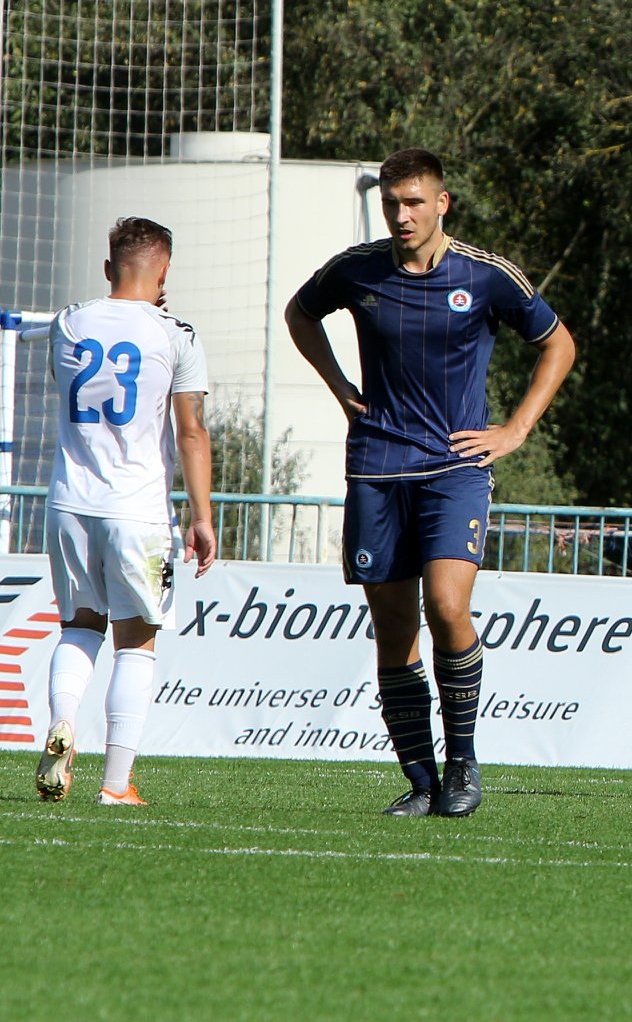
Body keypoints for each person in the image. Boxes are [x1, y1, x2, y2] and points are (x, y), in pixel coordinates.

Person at [285, 148, 575, 818]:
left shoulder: (486, 274)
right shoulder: (356, 269)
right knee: (393, 628)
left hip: (455, 467)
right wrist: (341, 389)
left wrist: (516, 428)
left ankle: (463, 763)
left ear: (442, 203)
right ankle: (420, 781)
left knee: (446, 605)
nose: (401, 215)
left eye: (414, 202)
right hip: (377, 467)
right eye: (391, 203)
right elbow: (300, 315)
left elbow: (558, 343)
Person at [34, 217, 216, 806]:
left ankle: (63, 721)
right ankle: (116, 784)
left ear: (108, 268)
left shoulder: (67, 322)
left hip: (69, 503)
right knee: (135, 643)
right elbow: (191, 432)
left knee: (78, 627)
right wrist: (202, 516)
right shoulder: (175, 333)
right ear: (165, 273)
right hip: (136, 510)